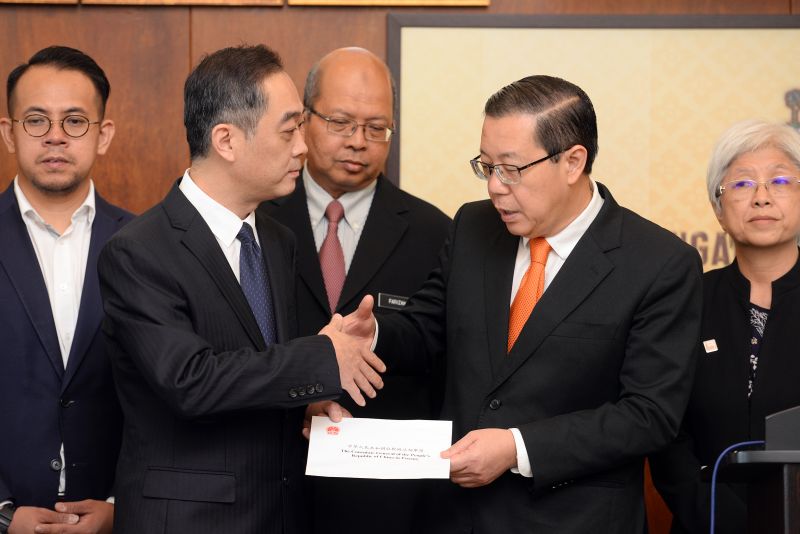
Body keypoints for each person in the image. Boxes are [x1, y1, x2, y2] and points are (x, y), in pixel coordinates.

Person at [343, 74, 703, 533]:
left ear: (573, 161)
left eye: (511, 169)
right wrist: (372, 335)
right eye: (485, 165)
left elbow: (649, 416)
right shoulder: (473, 227)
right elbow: (428, 328)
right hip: (454, 515)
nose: (494, 187)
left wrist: (517, 448)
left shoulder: (658, 262)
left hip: (573, 519)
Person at [96, 44, 385, 534]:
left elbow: (263, 368)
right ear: (226, 140)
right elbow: (191, 382)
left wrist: (310, 398)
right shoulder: (138, 252)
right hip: (190, 519)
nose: (303, 147)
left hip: (280, 511)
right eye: (290, 129)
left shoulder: (277, 239)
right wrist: (322, 356)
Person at [259, 46, 451, 534]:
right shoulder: (255, 219)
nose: (358, 142)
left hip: (388, 497)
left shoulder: (437, 232)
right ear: (304, 120)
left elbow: (446, 361)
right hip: (269, 480)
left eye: (376, 128)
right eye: (341, 123)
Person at [0, 46, 130, 534]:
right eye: (36, 121)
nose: (55, 136)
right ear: (10, 134)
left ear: (104, 135)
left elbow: (164, 396)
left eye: (75, 121)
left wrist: (122, 504)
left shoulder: (149, 246)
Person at [650, 119, 800, 534]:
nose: (762, 197)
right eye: (742, 184)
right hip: (706, 520)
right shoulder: (685, 301)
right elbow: (664, 431)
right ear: (718, 209)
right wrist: (717, 516)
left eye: (781, 180)